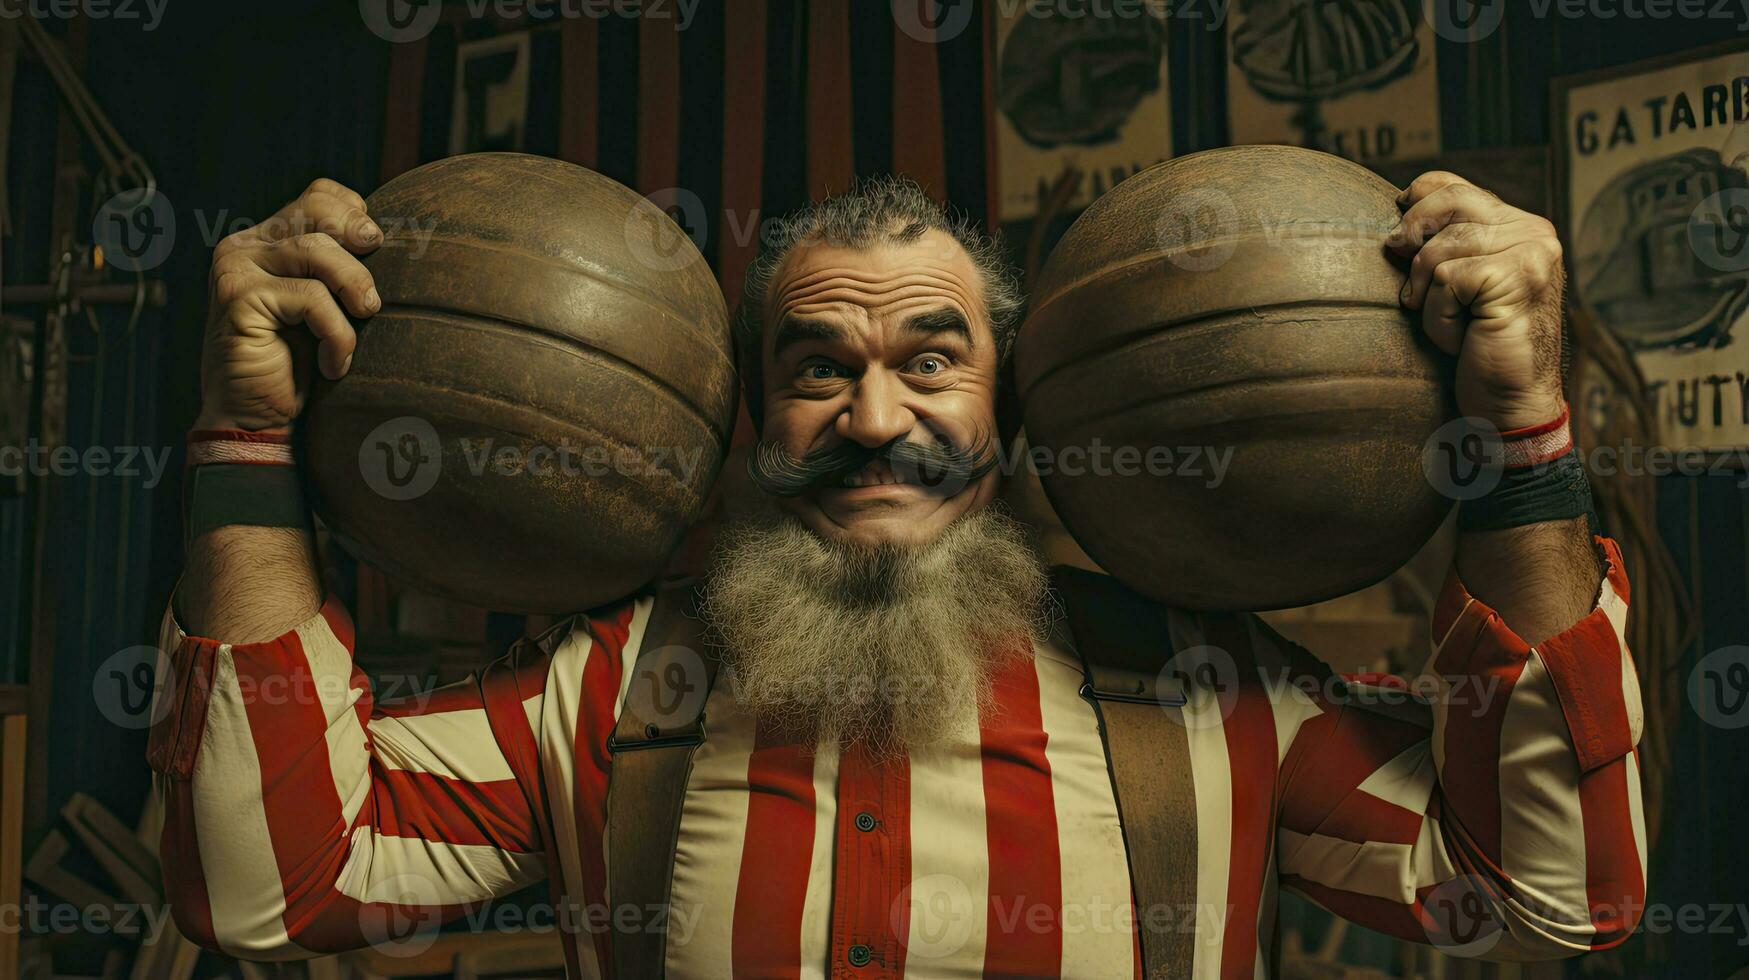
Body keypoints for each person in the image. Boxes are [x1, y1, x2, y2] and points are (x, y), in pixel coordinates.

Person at [151, 172, 1646, 977]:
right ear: (748, 418)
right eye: (818, 368)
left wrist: (1520, 438)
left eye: (930, 360)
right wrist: (249, 435)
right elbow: (262, 888)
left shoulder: (1200, 694)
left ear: (1010, 407)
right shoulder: (611, 691)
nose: (874, 424)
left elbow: (1554, 896)